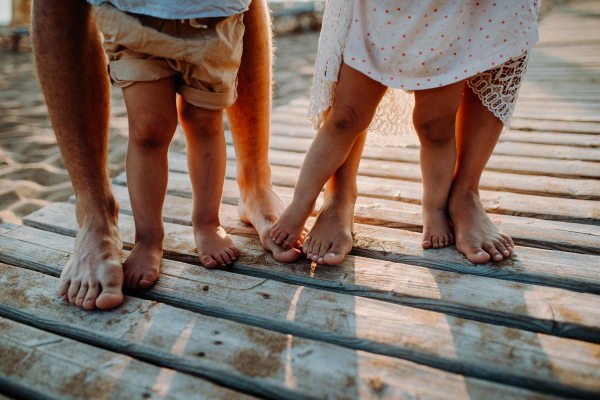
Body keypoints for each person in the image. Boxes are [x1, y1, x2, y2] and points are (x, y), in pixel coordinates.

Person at [30, 0, 301, 310]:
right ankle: (148, 237)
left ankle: (207, 222)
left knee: (205, 123)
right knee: (148, 128)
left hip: (214, 16)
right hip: (134, 16)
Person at [270, 0, 539, 265]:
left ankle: (435, 207)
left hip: (448, 20)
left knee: (435, 126)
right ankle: (301, 203)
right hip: (380, 16)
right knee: (345, 119)